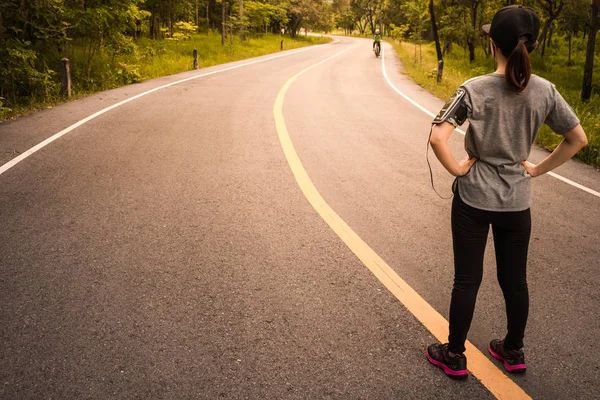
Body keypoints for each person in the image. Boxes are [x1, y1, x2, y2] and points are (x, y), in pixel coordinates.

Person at [425, 5, 588, 379]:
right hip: (517, 202)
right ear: (530, 46)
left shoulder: (474, 89)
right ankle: (513, 351)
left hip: (473, 200)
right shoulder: (546, 91)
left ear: (493, 44)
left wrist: (459, 167)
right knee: (514, 280)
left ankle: (453, 355)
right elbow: (577, 138)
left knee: (467, 279)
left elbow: (437, 136)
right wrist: (534, 169)